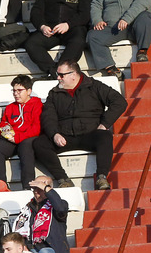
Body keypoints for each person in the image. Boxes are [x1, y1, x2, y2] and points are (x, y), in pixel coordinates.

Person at [32, 60, 127, 191]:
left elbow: (119, 102)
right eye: (57, 74)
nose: (58, 78)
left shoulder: (95, 86)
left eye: (61, 75)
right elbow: (48, 117)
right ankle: (63, 179)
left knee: (105, 136)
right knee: (39, 143)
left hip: (91, 133)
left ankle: (101, 177)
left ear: (73, 75)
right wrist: (55, 134)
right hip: (65, 136)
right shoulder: (54, 93)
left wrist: (104, 124)